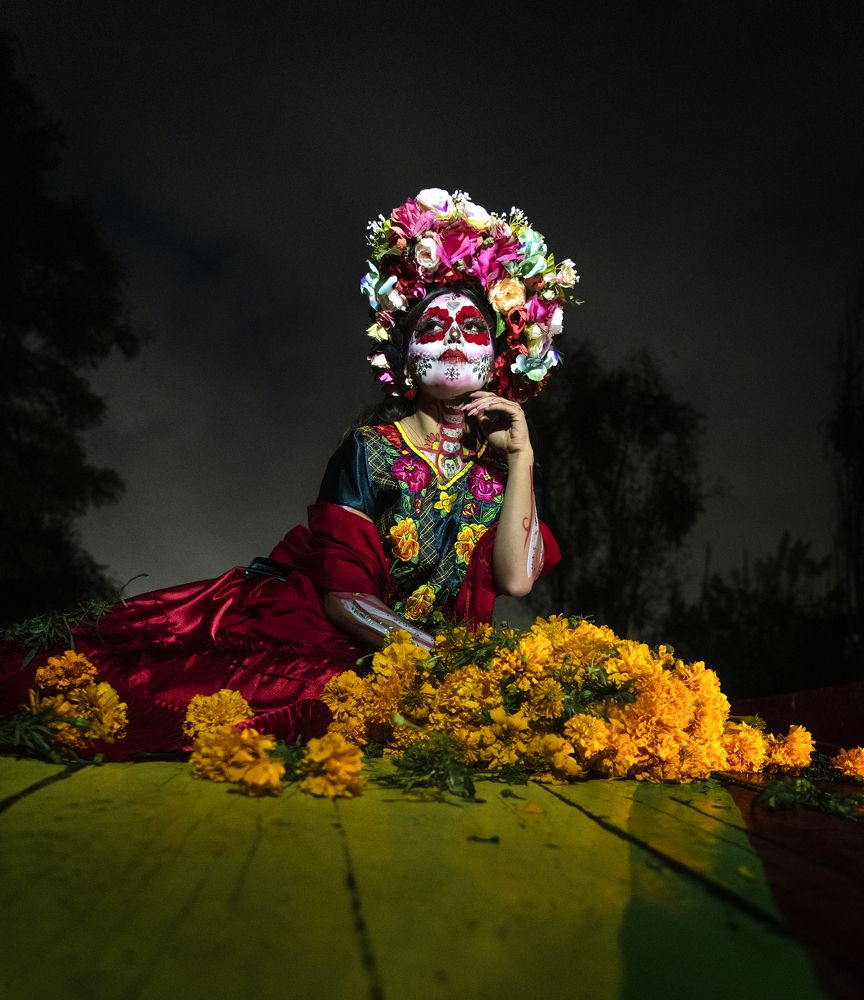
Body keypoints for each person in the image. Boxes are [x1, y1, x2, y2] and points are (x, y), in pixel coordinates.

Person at [0, 188, 579, 758]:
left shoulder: (507, 471)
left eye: (473, 328)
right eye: (433, 327)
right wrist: (446, 667)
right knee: (192, 699)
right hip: (337, 644)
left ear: (498, 359)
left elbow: (515, 580)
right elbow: (343, 598)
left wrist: (523, 457)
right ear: (405, 360)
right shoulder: (368, 451)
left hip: (442, 672)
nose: (453, 338)